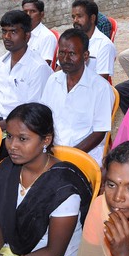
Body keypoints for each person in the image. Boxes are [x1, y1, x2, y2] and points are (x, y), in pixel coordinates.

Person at [0, 103, 93, 256]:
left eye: (23, 139)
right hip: (14, 245)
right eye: (9, 136)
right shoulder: (6, 170)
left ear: (46, 140)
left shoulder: (63, 186)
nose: (12, 145)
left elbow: (53, 252)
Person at [39, 29, 115, 164]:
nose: (65, 59)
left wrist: (69, 157)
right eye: (62, 53)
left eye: (72, 54)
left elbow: (99, 133)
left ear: (85, 56)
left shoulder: (101, 88)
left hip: (84, 156)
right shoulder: (53, 80)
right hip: (53, 152)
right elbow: (44, 117)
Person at [0, 10, 52, 131]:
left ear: (27, 36)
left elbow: (31, 113)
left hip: (22, 128)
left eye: (13, 32)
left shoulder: (38, 68)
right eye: (4, 31)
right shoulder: (0, 63)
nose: (7, 37)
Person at [71, 0, 117, 79]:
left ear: (92, 18)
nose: (75, 20)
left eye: (79, 16)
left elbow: (101, 81)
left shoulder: (104, 45)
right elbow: (59, 70)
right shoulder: (71, 40)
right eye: (73, 17)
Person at [22, 0, 58, 65]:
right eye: (25, 12)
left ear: (42, 14)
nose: (28, 15)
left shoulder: (47, 37)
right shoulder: (21, 33)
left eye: (32, 11)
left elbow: (44, 66)